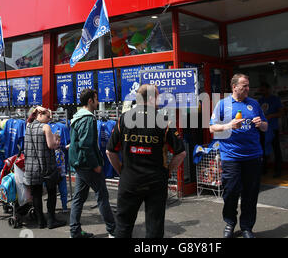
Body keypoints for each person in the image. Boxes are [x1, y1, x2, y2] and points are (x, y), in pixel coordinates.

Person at [106, 84, 186, 238]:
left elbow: (110, 151)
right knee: (154, 228)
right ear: (151, 98)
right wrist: (167, 171)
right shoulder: (163, 121)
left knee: (123, 226)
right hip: (155, 182)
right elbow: (181, 153)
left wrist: (122, 171)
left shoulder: (123, 119)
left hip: (129, 180)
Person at [209, 74, 268, 238]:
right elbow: (212, 129)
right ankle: (229, 223)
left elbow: (265, 127)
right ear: (234, 87)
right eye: (244, 86)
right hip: (231, 157)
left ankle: (247, 227)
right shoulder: (223, 104)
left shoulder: (254, 104)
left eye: (248, 85)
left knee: (251, 193)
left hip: (253, 156)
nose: (248, 89)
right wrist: (229, 125)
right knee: (231, 193)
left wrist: (260, 124)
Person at [69, 89, 116, 238]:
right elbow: (86, 144)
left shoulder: (77, 116)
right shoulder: (88, 119)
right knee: (102, 195)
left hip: (79, 163)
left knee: (79, 198)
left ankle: (75, 232)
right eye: (96, 99)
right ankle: (113, 231)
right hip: (87, 165)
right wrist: (95, 164)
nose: (98, 102)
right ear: (90, 100)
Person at [24, 106, 66, 229]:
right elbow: (51, 145)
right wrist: (55, 139)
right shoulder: (45, 127)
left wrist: (38, 109)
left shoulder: (28, 126)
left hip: (32, 166)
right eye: (48, 116)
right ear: (40, 115)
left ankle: (40, 221)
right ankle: (51, 220)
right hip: (46, 165)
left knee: (36, 194)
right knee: (52, 192)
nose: (49, 119)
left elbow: (31, 115)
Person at [258, 82, 284, 178]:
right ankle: (263, 169)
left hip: (273, 128)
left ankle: (278, 170)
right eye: (261, 90)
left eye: (263, 89)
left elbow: (281, 113)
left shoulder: (275, 99)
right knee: (262, 149)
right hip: (262, 128)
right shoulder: (260, 100)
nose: (262, 91)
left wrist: (270, 116)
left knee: (276, 149)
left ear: (269, 89)